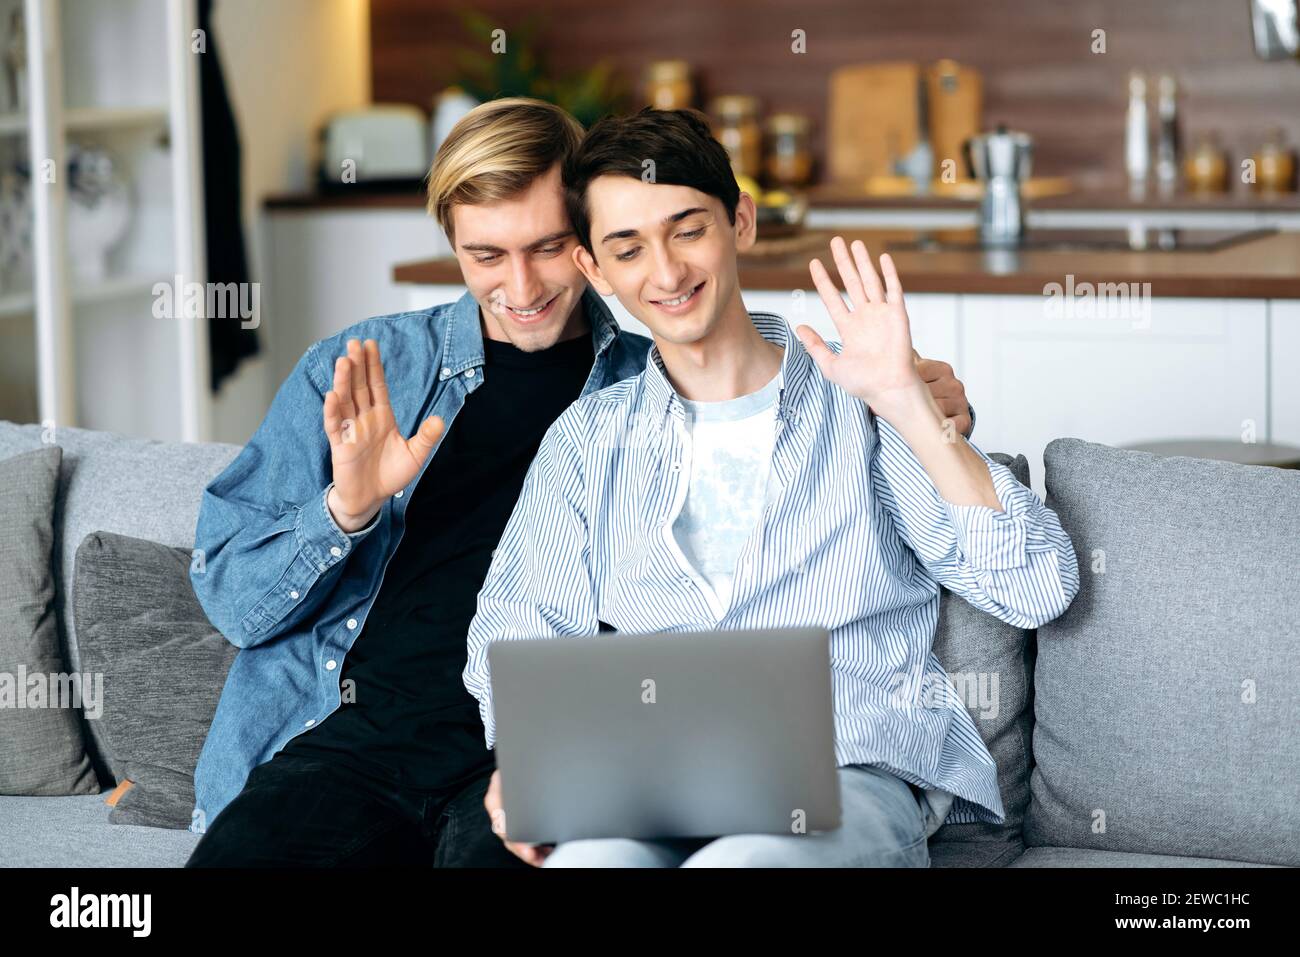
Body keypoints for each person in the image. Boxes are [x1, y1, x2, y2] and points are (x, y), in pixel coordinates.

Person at [183, 97, 981, 867]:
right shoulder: (362, 371)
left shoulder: (658, 387)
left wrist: (920, 408)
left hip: (564, 757)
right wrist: (346, 510)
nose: (522, 289)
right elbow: (232, 601)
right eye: (486, 255)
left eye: (547, 248)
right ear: (450, 243)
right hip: (359, 743)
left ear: (590, 246)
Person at [464, 107, 1080, 868]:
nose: (666, 272)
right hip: (649, 780)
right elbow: (516, 628)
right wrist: (526, 760)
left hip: (846, 771)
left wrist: (910, 407)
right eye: (628, 249)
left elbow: (1035, 587)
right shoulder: (588, 442)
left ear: (741, 223)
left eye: (688, 229)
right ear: (596, 269)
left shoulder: (861, 402)